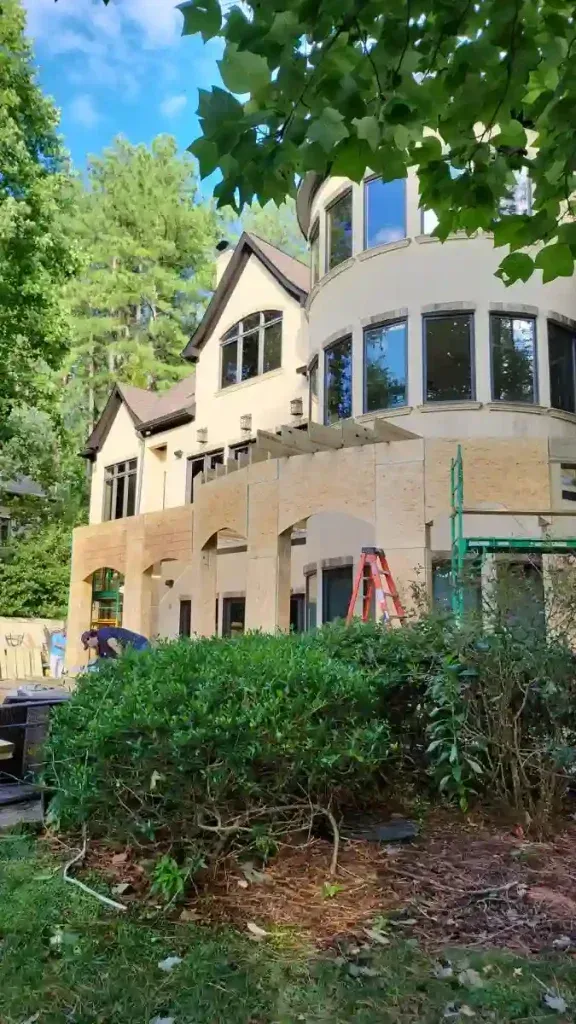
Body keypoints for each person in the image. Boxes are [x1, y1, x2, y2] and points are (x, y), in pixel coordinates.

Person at [81, 626, 150, 663]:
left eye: (88, 645)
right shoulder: (101, 648)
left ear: (89, 638)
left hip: (139, 644)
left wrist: (124, 660)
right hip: (133, 652)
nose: (90, 647)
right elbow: (108, 660)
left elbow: (114, 644)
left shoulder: (102, 633)